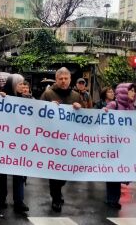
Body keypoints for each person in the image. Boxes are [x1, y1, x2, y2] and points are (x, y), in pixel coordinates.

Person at [40, 67, 82, 212]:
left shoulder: (76, 96)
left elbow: (86, 116)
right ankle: (56, 198)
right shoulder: (48, 94)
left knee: (64, 172)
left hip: (69, 141)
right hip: (52, 141)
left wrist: (80, 108)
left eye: (66, 78)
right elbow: (38, 113)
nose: (63, 81)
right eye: (60, 79)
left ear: (70, 79)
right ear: (56, 79)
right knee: (55, 170)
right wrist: (47, 108)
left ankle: (57, 190)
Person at [0, 73, 30, 214]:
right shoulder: (2, 98)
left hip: (20, 142)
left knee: (19, 172)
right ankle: (1, 198)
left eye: (23, 83)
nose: (22, 86)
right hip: (5, 140)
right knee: (2, 172)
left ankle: (19, 200)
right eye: (20, 83)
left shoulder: (27, 100)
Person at [104, 83, 136, 210]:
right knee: (113, 172)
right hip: (113, 145)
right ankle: (112, 199)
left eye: (134, 91)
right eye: (131, 90)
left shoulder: (131, 108)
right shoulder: (114, 105)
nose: (133, 93)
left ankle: (114, 198)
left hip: (125, 146)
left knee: (120, 172)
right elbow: (103, 119)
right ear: (124, 92)